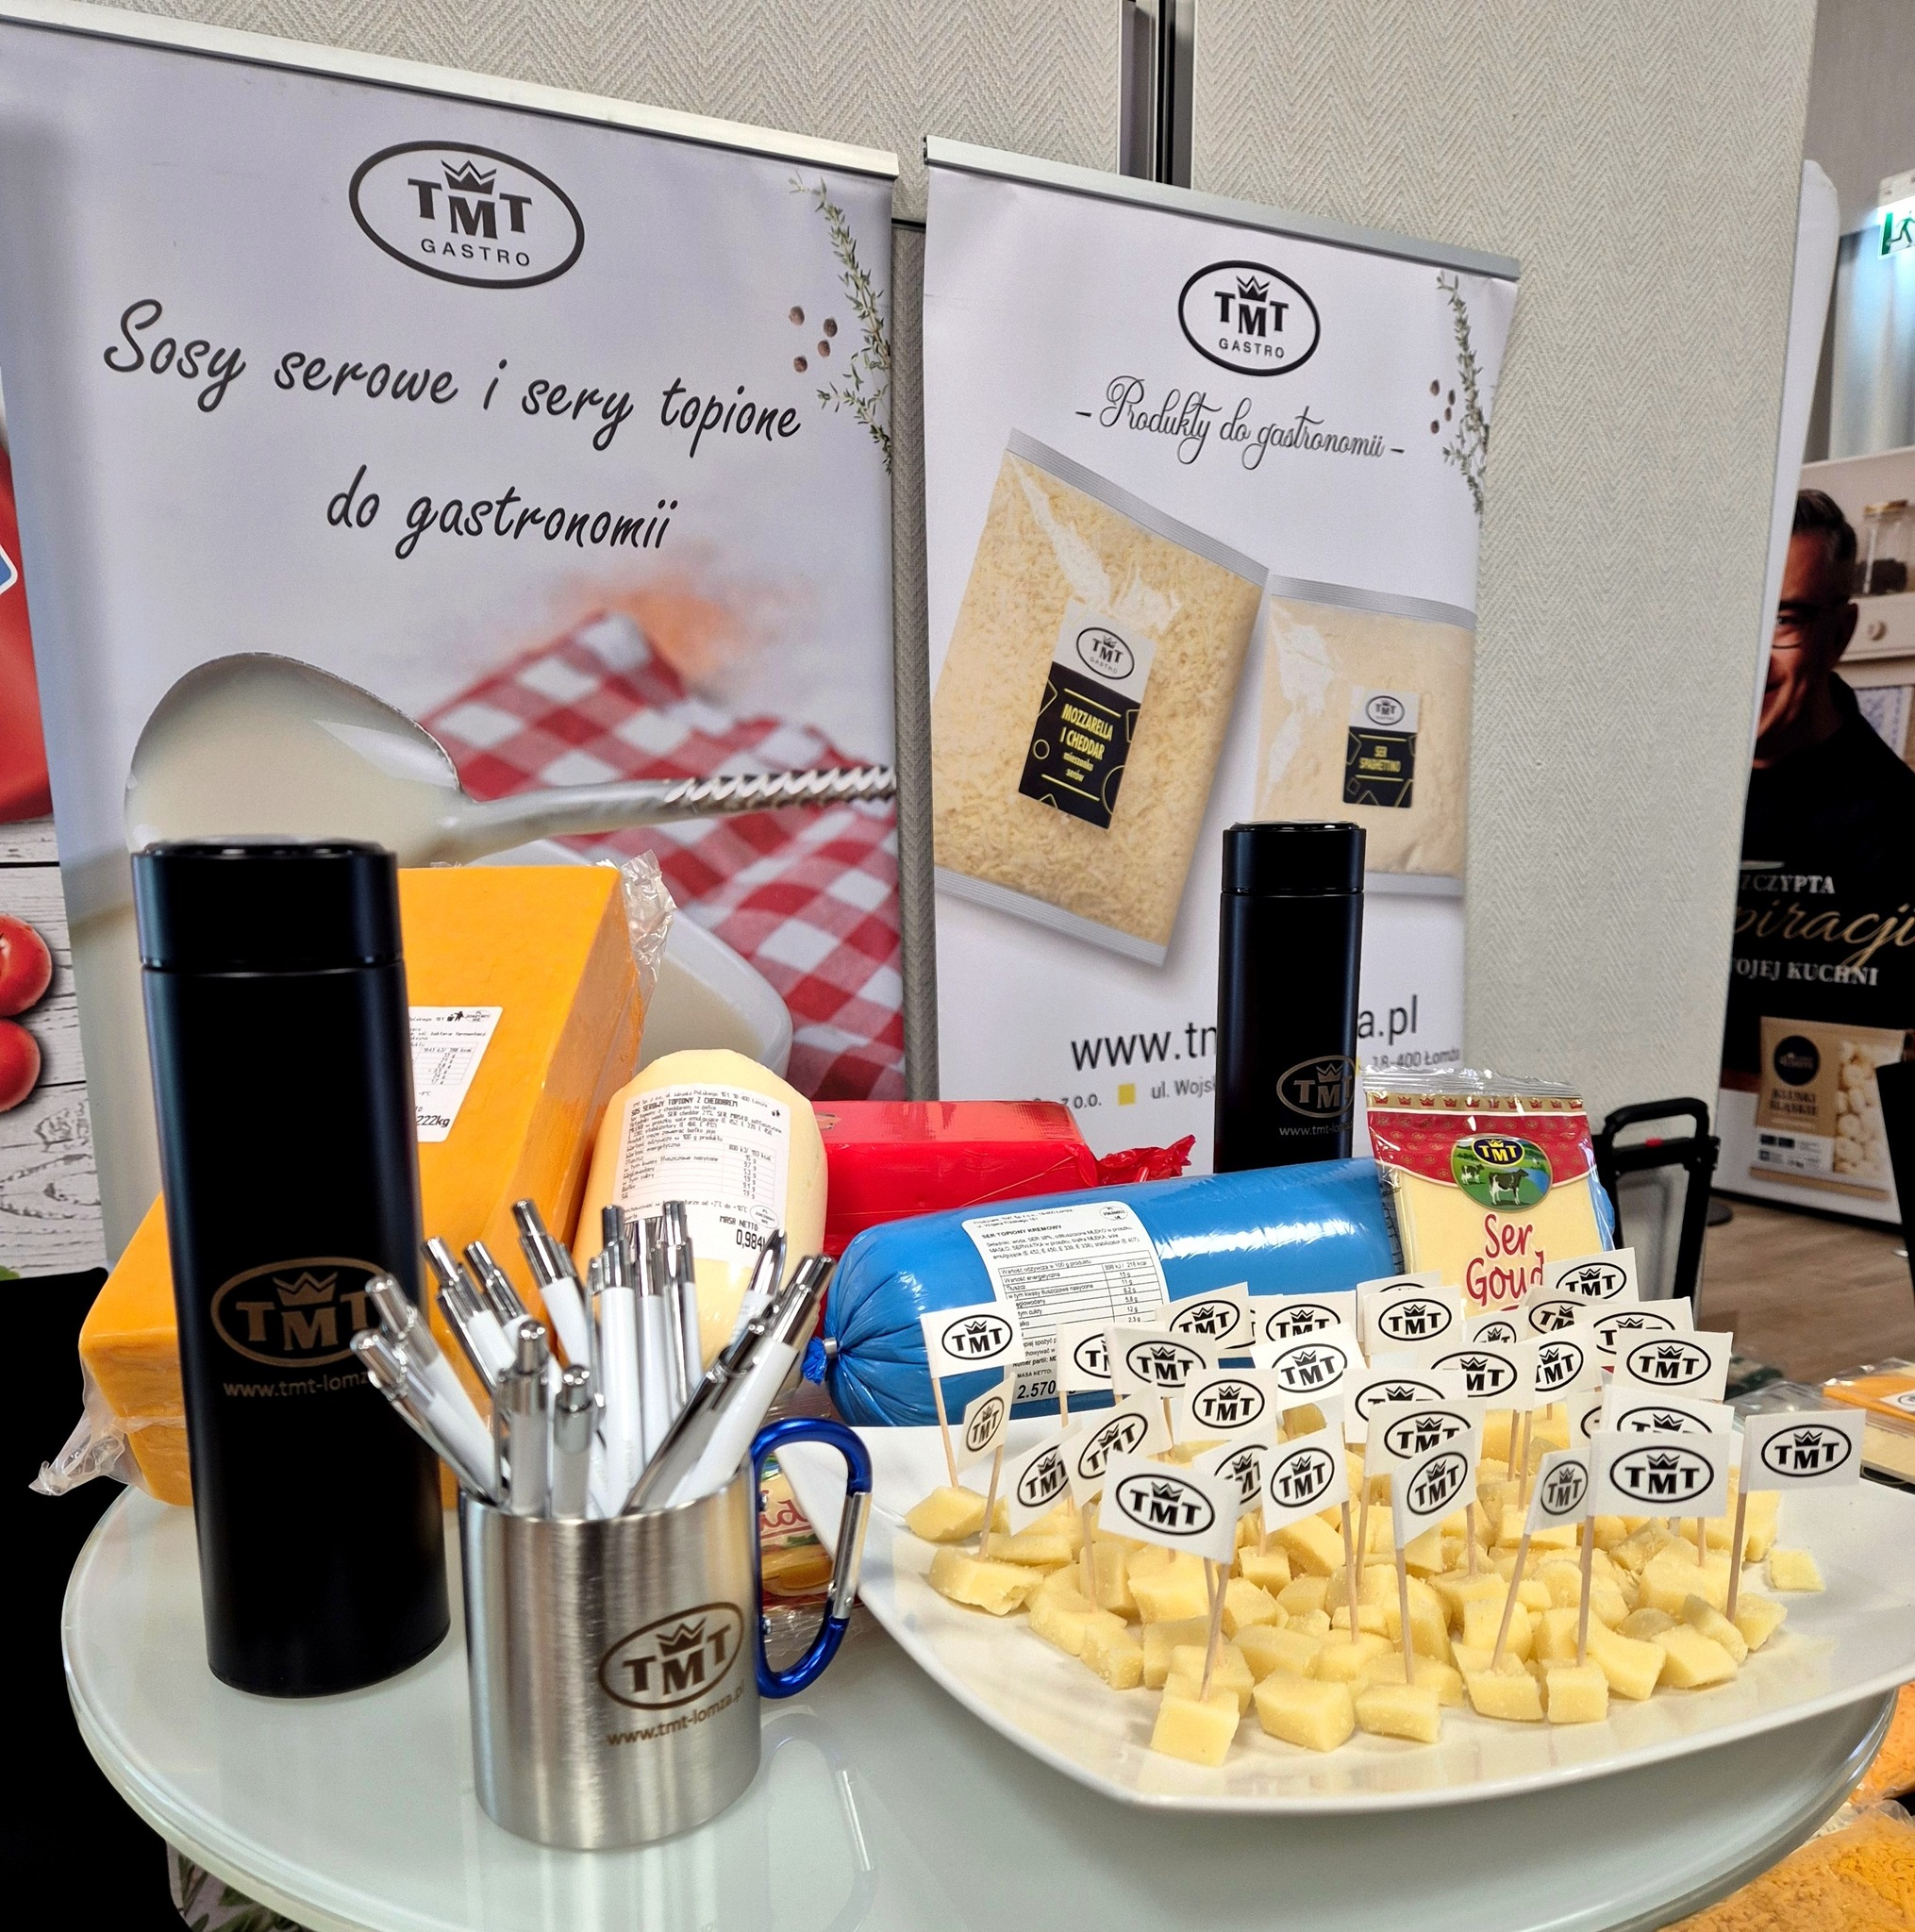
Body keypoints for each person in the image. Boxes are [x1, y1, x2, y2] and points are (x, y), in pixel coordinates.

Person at [1723, 489, 1915, 1083]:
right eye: (1729, 620)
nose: (1748, 658)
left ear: (1840, 633)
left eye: (1783, 620)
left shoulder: (1901, 824)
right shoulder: (1652, 808)